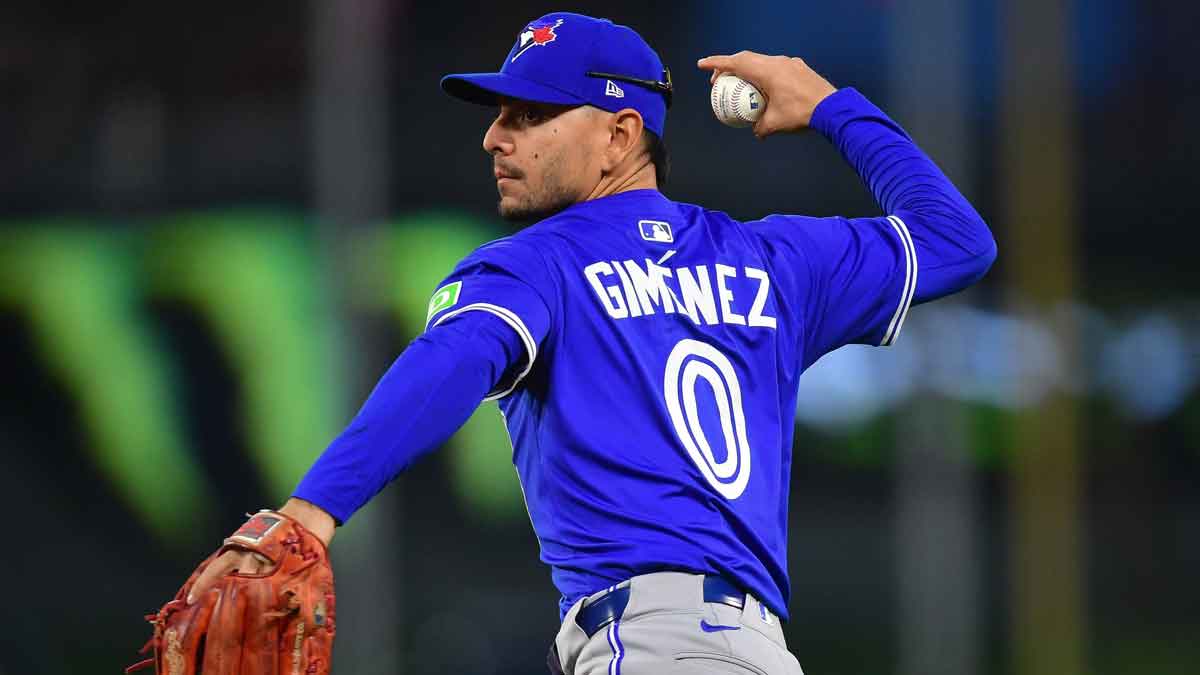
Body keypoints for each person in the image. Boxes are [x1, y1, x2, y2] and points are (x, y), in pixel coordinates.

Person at [187, 11, 996, 675]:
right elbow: (956, 239)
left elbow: (451, 362)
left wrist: (311, 512)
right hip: (750, 652)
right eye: (501, 114)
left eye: (530, 115)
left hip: (648, 645)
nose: (495, 138)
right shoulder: (775, 263)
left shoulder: (539, 265)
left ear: (620, 135)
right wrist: (826, 102)